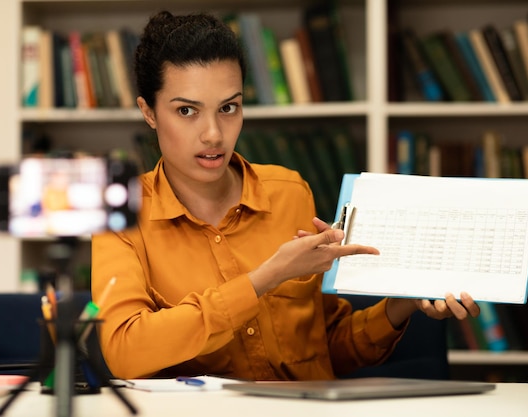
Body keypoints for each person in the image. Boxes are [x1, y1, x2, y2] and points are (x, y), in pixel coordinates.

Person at [91, 11, 480, 381]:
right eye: (187, 111)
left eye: (229, 107)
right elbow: (125, 351)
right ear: (149, 112)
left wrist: (404, 302)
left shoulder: (290, 192)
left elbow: (328, 349)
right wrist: (263, 279)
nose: (213, 134)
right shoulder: (122, 211)